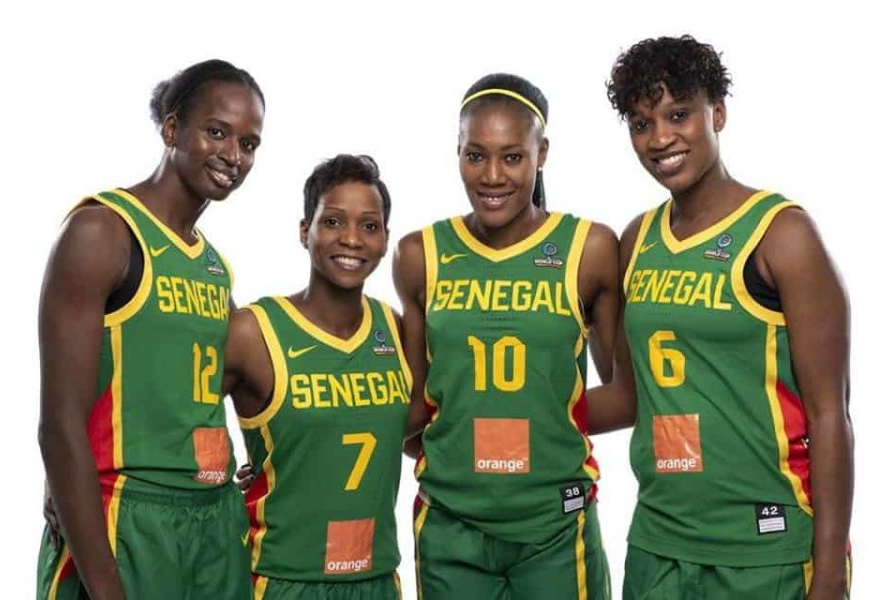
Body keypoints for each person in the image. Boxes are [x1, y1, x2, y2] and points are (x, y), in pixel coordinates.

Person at [588, 35, 853, 599]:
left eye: (678, 114)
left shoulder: (781, 234)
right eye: (641, 123)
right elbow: (627, 396)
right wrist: (492, 416)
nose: (660, 138)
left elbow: (830, 414)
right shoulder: (636, 240)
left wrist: (830, 570)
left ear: (718, 113)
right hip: (659, 543)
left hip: (765, 548)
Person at [37, 59, 264, 600]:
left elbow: (215, 383)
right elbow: (58, 424)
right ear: (171, 129)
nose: (233, 155)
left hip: (212, 517)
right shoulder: (103, 232)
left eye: (249, 143)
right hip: (127, 512)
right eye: (216, 132)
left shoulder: (213, 267)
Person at [395, 73, 620, 599]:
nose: (492, 176)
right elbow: (412, 407)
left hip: (555, 522)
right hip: (451, 522)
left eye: (512, 157)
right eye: (475, 156)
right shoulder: (419, 254)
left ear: (542, 154)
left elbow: (626, 393)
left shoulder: (589, 248)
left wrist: (541, 425)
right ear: (457, 152)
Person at [224, 154, 410, 600]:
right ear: (304, 230)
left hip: (377, 580)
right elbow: (170, 418)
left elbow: (424, 430)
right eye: (332, 221)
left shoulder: (395, 330)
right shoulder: (253, 331)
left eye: (369, 226)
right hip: (281, 580)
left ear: (385, 240)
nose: (351, 238)